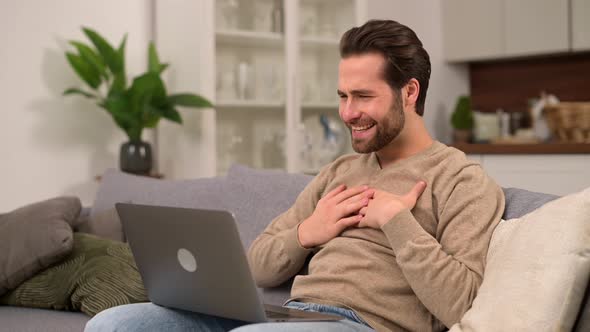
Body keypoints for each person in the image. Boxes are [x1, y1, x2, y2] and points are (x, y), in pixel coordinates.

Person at [85, 19, 504, 332]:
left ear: (409, 93)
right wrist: (308, 231)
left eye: (362, 96)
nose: (347, 113)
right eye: (342, 96)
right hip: (290, 317)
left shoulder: (462, 180)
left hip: (362, 326)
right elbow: (258, 267)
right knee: (113, 325)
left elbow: (462, 304)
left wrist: (397, 222)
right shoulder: (340, 171)